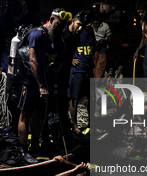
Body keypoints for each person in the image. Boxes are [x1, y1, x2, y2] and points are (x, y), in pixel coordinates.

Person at [16, 8, 71, 164]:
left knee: (38, 115)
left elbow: (59, 59)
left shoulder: (56, 37)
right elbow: (33, 61)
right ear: (51, 19)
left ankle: (35, 146)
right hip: (30, 80)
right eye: (59, 24)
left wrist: (52, 79)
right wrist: (41, 85)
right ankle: (23, 150)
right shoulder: (37, 34)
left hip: (45, 81)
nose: (61, 27)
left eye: (64, 25)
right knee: (25, 115)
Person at [68, 13, 95, 135]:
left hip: (87, 70)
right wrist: (70, 60)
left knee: (91, 98)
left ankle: (92, 124)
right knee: (74, 98)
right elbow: (64, 48)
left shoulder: (89, 31)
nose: (82, 27)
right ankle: (75, 125)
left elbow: (93, 45)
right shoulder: (72, 32)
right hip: (76, 71)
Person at [92, 13, 112, 78]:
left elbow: (110, 38)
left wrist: (103, 41)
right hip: (93, 47)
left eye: (97, 20)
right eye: (94, 21)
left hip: (103, 47)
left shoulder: (105, 26)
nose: (96, 22)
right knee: (93, 65)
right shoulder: (90, 26)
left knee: (100, 66)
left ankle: (97, 81)